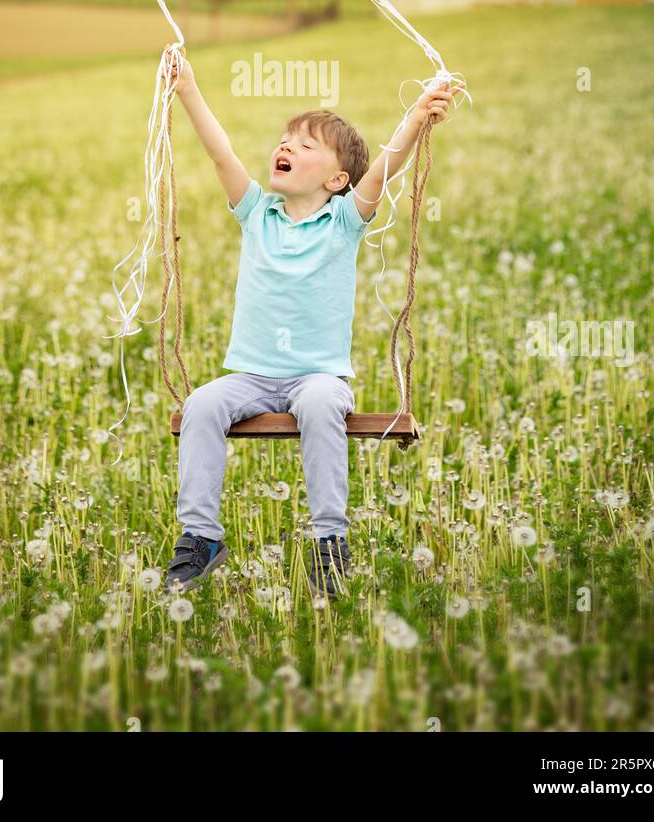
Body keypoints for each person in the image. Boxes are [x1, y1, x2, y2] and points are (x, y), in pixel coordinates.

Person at [160, 45, 456, 599]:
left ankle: (329, 543)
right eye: (285, 140)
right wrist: (189, 91)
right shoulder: (256, 214)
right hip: (250, 375)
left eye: (305, 145)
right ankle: (201, 537)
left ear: (338, 179)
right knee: (201, 404)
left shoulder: (343, 221)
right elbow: (222, 155)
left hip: (316, 376)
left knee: (322, 404)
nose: (286, 146)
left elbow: (386, 168)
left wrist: (416, 117)